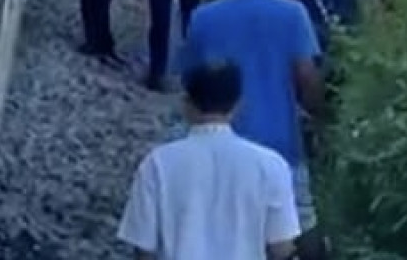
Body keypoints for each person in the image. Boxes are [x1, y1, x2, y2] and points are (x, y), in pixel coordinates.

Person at [181, 0, 327, 260]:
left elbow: (191, 80)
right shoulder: (293, 13)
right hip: (281, 142)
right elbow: (306, 76)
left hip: (220, 142)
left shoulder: (203, 17)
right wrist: (317, 115)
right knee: (297, 227)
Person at [118, 62, 302, 260]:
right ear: (238, 105)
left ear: (186, 104)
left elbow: (144, 248)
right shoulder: (271, 166)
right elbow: (281, 248)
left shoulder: (157, 164)